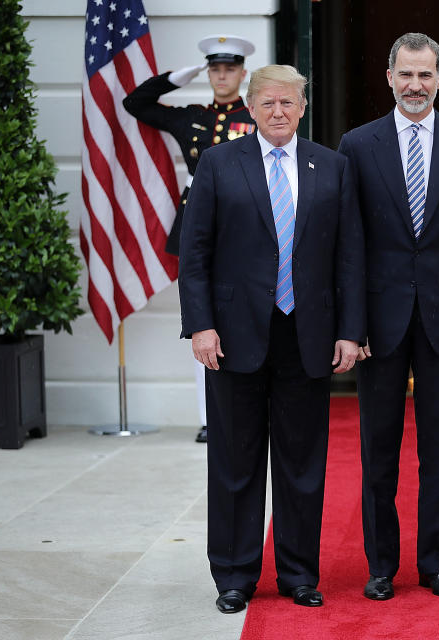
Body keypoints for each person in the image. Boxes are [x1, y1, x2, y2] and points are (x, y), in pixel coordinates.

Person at [178, 64, 365, 613]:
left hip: (307, 336)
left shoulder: (332, 167)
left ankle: (298, 573)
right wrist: (201, 324)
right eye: (268, 104)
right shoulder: (217, 164)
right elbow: (195, 256)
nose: (278, 112)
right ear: (250, 109)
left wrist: (351, 331)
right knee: (234, 463)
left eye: (288, 103)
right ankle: (233, 576)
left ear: (302, 108)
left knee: (302, 465)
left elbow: (350, 257)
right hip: (233, 338)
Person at [337, 32, 439, 601]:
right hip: (378, 324)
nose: (415, 85)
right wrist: (350, 328)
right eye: (405, 74)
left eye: (425, 75)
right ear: (389, 77)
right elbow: (349, 245)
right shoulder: (357, 145)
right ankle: (381, 566)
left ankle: (435, 564)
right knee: (377, 449)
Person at [124, 34, 257, 443]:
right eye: (214, 68)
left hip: (243, 229)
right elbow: (136, 105)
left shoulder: (255, 119)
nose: (221, 75)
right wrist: (176, 78)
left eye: (228, 68)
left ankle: (250, 409)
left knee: (247, 318)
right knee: (201, 322)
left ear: (242, 72)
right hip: (198, 228)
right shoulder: (192, 117)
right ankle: (208, 417)